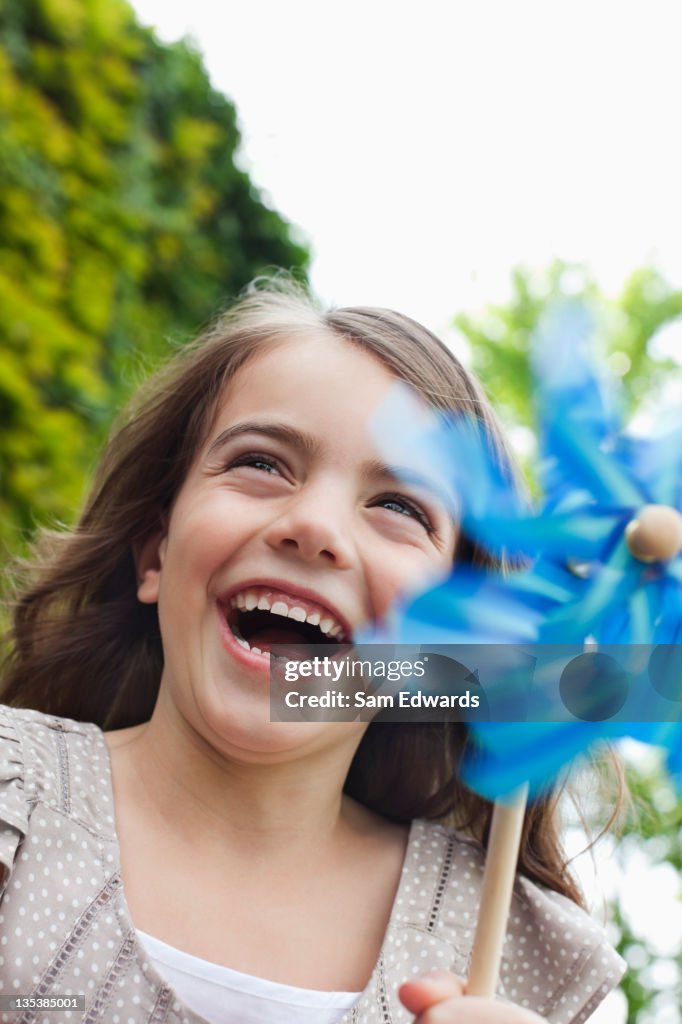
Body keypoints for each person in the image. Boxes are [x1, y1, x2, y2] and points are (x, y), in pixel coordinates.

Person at [0, 280, 624, 1024]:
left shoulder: (513, 953)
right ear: (154, 557)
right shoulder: (17, 809)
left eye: (399, 508)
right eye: (261, 463)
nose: (315, 526)